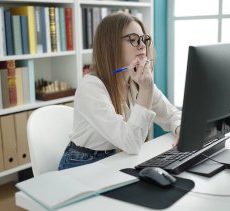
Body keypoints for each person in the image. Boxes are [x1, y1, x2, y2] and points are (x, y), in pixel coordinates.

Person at [58, 12, 181, 170]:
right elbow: (132, 143)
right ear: (111, 45)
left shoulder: (135, 81)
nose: (142, 45)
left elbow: (171, 114)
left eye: (144, 39)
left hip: (116, 157)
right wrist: (146, 89)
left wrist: (180, 129)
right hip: (82, 164)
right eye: (133, 39)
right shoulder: (91, 87)